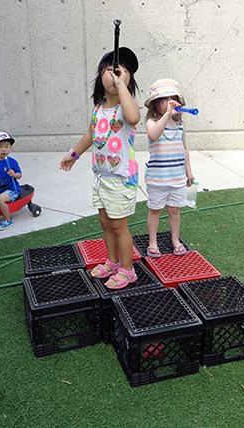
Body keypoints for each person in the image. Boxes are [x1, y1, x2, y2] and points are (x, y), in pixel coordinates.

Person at [60, 47, 141, 289]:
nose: (116, 75)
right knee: (106, 222)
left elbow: (134, 118)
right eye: (111, 70)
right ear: (100, 75)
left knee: (119, 225)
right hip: (102, 176)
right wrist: (74, 154)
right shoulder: (98, 107)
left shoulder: (126, 108)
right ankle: (113, 261)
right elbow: (91, 134)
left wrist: (123, 85)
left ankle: (128, 270)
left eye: (123, 72)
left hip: (122, 177)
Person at [143, 79, 195, 257]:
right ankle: (152, 241)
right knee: (155, 210)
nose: (170, 103)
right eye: (165, 99)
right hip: (157, 178)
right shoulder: (152, 121)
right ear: (156, 103)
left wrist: (189, 171)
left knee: (174, 210)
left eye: (173, 99)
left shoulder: (181, 126)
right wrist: (166, 115)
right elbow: (153, 135)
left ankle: (175, 239)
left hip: (177, 177)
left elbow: (185, 149)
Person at [0, 131, 22, 231]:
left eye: (7, 146)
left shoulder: (12, 162)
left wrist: (14, 174)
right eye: (0, 146)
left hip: (11, 189)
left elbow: (19, 175)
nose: (4, 149)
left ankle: (8, 220)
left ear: (10, 148)